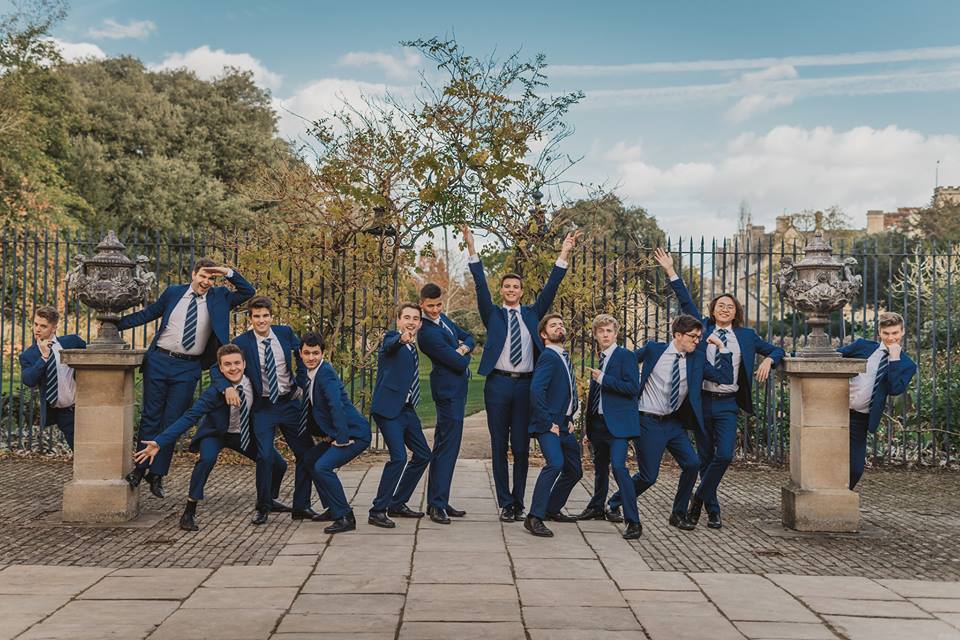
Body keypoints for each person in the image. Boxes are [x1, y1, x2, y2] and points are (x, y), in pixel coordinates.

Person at [654, 248, 786, 529]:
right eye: (720, 305)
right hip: (701, 400)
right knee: (705, 458)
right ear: (713, 310)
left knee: (724, 455)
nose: (725, 309)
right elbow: (685, 299)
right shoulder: (702, 329)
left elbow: (778, 349)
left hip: (727, 403)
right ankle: (712, 510)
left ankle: (698, 500)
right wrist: (671, 270)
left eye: (730, 306)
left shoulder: (746, 336)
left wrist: (769, 361)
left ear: (736, 312)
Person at [462, 224, 581, 522]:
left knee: (521, 448)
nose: (511, 290)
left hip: (525, 387)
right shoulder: (493, 314)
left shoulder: (532, 314)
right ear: (502, 291)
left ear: (522, 291)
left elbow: (551, 288)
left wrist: (564, 253)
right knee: (499, 446)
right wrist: (472, 248)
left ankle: (519, 501)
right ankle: (506, 503)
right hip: (498, 385)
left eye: (516, 287)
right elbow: (480, 286)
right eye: (507, 286)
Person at [119, 258, 254, 498]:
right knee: (150, 417)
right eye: (202, 276)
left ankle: (157, 474)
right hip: (159, 360)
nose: (206, 281)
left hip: (188, 367)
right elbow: (149, 313)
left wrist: (226, 271)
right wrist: (114, 324)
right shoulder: (174, 292)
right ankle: (139, 469)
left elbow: (248, 291)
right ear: (193, 274)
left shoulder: (220, 297)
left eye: (211, 278)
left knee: (172, 420)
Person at [133, 344, 288, 530]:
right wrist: (159, 442)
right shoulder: (214, 393)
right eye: (227, 364)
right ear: (220, 368)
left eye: (237, 363)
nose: (233, 368)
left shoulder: (255, 384)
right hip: (215, 434)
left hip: (243, 435)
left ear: (244, 364)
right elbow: (189, 417)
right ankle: (189, 511)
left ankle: (267, 500)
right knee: (206, 459)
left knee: (279, 464)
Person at [607, 315, 732, 531]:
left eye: (699, 337)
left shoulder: (697, 359)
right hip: (647, 421)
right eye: (693, 337)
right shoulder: (654, 350)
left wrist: (722, 347)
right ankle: (614, 502)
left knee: (692, 464)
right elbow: (625, 363)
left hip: (673, 423)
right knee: (648, 477)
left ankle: (678, 513)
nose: (697, 341)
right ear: (678, 335)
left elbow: (725, 377)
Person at [208, 296, 323, 524]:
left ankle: (301, 506)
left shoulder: (284, 333)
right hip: (263, 407)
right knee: (265, 456)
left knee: (306, 453)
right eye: (257, 316)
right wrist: (226, 388)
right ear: (250, 318)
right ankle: (263, 506)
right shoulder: (242, 341)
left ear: (271, 316)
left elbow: (301, 354)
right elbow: (215, 367)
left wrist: (301, 382)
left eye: (265, 316)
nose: (261, 320)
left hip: (289, 403)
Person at [578, 314, 643, 540]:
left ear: (616, 334)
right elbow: (595, 397)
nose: (605, 335)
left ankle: (633, 521)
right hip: (598, 424)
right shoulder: (601, 358)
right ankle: (597, 506)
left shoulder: (625, 356)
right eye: (601, 331)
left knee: (619, 468)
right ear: (595, 335)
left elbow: (633, 388)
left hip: (618, 426)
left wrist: (604, 379)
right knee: (600, 468)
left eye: (609, 331)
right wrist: (588, 429)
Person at [368, 303, 433, 529]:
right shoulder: (392, 338)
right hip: (388, 410)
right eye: (406, 317)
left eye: (415, 318)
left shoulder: (412, 347)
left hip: (406, 410)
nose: (411, 322)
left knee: (423, 455)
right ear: (398, 320)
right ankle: (377, 510)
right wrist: (401, 339)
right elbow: (390, 345)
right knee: (399, 458)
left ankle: (397, 503)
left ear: (420, 323)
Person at [299, 332, 370, 534]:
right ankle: (333, 507)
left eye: (315, 353)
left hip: (355, 434)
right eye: (307, 353)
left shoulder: (326, 374)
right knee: (310, 460)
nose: (311, 357)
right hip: (339, 432)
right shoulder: (310, 373)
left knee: (322, 467)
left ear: (323, 353)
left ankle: (346, 516)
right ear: (300, 353)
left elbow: (335, 406)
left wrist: (341, 438)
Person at [417, 283, 475, 524]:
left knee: (445, 446)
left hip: (456, 392)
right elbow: (459, 363)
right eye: (430, 306)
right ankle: (437, 504)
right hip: (448, 394)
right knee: (447, 448)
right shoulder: (428, 333)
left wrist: (462, 347)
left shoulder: (444, 321)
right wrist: (463, 352)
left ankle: (439, 499)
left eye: (438, 304)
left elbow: (469, 337)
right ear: (421, 304)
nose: (435, 310)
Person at [839, 312, 917, 489]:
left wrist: (894, 359)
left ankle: (842, 495)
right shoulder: (862, 346)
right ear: (879, 332)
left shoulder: (907, 365)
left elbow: (895, 389)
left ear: (902, 332)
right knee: (826, 458)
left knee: (855, 469)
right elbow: (833, 358)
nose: (890, 338)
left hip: (860, 419)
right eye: (886, 333)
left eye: (895, 333)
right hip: (836, 410)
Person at [525, 314, 582, 538]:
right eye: (553, 325)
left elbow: (564, 391)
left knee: (574, 470)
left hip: (565, 424)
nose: (559, 327)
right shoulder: (549, 356)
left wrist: (569, 418)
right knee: (555, 464)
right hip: (549, 424)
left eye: (561, 324)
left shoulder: (562, 356)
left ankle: (551, 508)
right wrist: (548, 422)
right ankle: (534, 517)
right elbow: (536, 390)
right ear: (543, 334)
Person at [20, 306, 86, 450]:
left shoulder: (72, 342)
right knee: (80, 452)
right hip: (63, 413)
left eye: (43, 326)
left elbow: (92, 358)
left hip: (85, 405)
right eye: (36, 324)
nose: (37, 329)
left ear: (54, 328)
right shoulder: (28, 355)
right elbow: (28, 380)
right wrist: (44, 357)